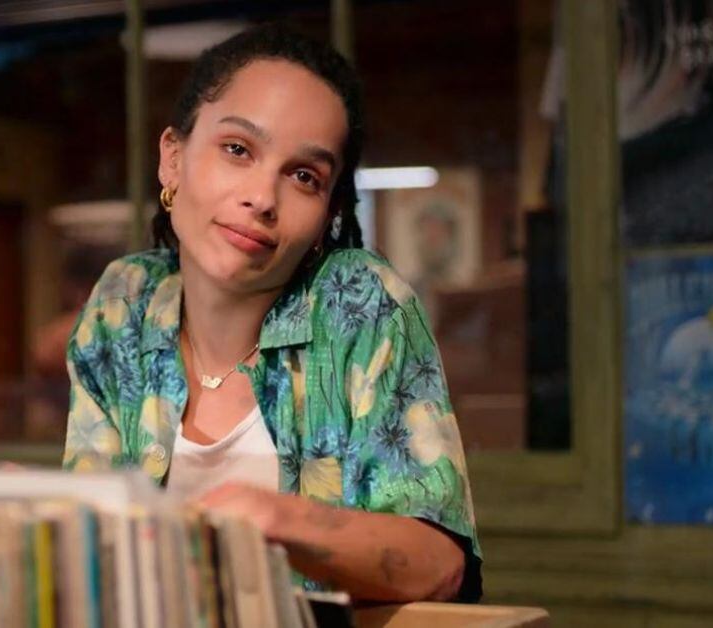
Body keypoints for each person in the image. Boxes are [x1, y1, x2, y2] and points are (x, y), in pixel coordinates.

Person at [61, 25, 480, 603]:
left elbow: (439, 566)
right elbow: (95, 554)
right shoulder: (122, 305)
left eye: (304, 177)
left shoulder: (359, 303)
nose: (262, 198)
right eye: (238, 149)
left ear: (328, 214)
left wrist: (277, 519)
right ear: (173, 158)